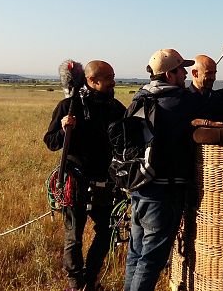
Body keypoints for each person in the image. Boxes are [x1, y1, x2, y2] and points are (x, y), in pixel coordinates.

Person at [123, 49, 204, 291]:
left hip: (139, 188)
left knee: (135, 255)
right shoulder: (179, 101)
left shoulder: (140, 98)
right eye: (181, 70)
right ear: (170, 74)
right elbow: (214, 103)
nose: (186, 75)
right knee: (150, 260)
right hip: (164, 193)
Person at [44, 60, 126, 291]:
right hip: (75, 181)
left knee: (107, 232)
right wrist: (62, 129)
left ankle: (89, 280)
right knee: (74, 236)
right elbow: (50, 142)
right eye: (109, 77)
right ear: (92, 80)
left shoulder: (115, 108)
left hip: (106, 181)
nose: (113, 81)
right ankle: (75, 283)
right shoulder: (67, 106)